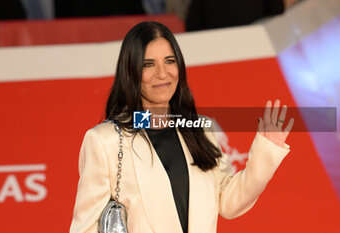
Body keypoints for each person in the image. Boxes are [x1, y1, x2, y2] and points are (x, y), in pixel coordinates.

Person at [69, 21, 294, 233]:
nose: (162, 73)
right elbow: (86, 227)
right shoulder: (104, 140)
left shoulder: (198, 129)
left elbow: (228, 201)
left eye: (169, 61)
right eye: (148, 64)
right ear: (131, 71)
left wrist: (265, 154)